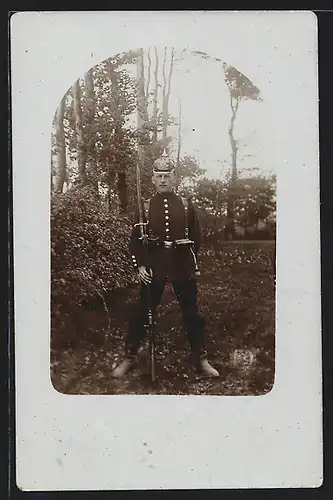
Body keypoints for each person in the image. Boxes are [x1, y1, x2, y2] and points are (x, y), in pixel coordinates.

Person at [112, 151, 219, 379]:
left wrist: (187, 258)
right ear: (153, 178)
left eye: (166, 176)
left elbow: (197, 237)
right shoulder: (145, 205)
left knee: (192, 314)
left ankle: (201, 358)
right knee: (142, 311)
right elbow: (135, 241)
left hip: (181, 265)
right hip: (154, 266)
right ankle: (129, 357)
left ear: (173, 178)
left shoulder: (187, 205)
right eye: (158, 176)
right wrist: (140, 266)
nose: (162, 180)